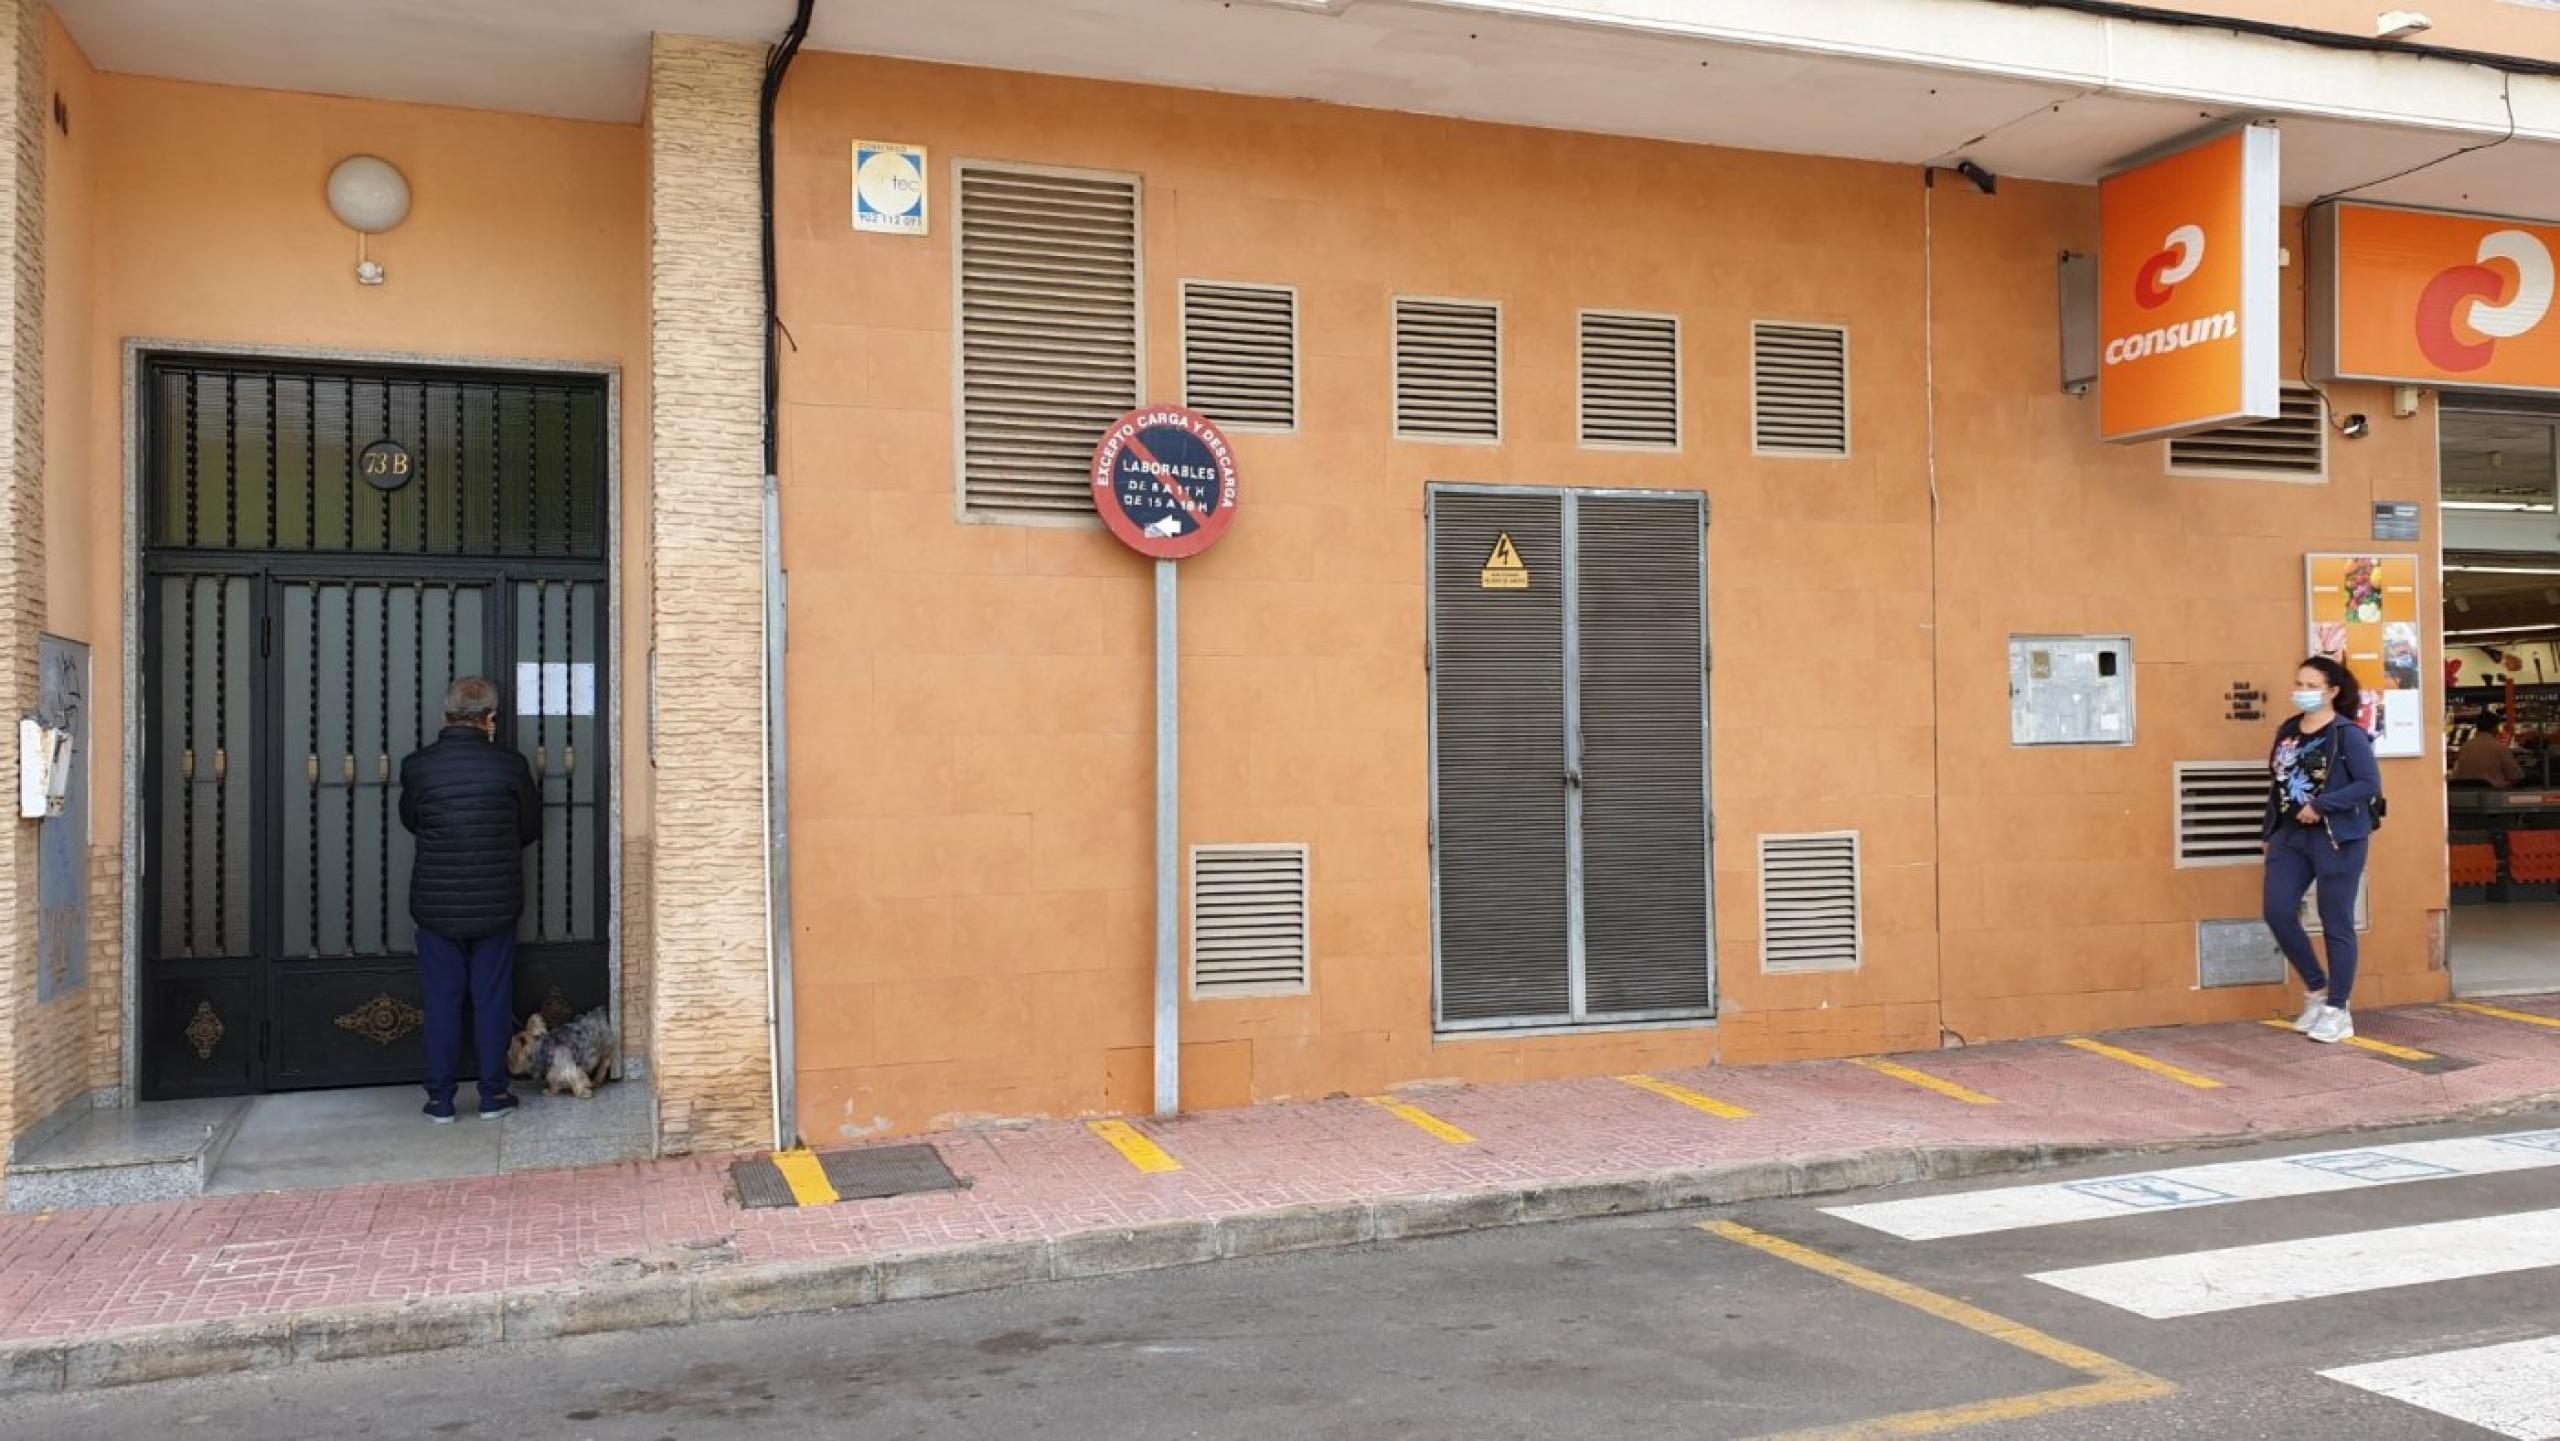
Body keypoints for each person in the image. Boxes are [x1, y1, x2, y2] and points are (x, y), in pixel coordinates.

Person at [398, 676, 541, 1122]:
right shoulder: (511, 765)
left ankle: (440, 1099)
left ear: (446, 715)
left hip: (436, 905)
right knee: (492, 998)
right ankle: (493, 1095)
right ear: (491, 719)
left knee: (442, 1000)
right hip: (495, 903)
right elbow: (529, 828)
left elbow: (411, 820)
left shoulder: (418, 766)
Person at [2263, 657, 2383, 1046]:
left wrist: (2322, 805)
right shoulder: (2288, 730)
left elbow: (2367, 785)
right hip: (2290, 837)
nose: (2303, 691)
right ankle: (2316, 989)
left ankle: (2337, 1009)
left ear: (2332, 692)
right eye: (2299, 683)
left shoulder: (2348, 734)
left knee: (2336, 921)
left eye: (2312, 685)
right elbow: (2279, 784)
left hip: (2337, 837)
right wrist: (2271, 830)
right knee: (2278, 911)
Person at [2449, 707, 2526, 789]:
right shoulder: (2499, 747)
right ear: (2495, 728)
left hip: (2462, 794)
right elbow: (2516, 776)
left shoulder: (2465, 747)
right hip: (2493, 795)